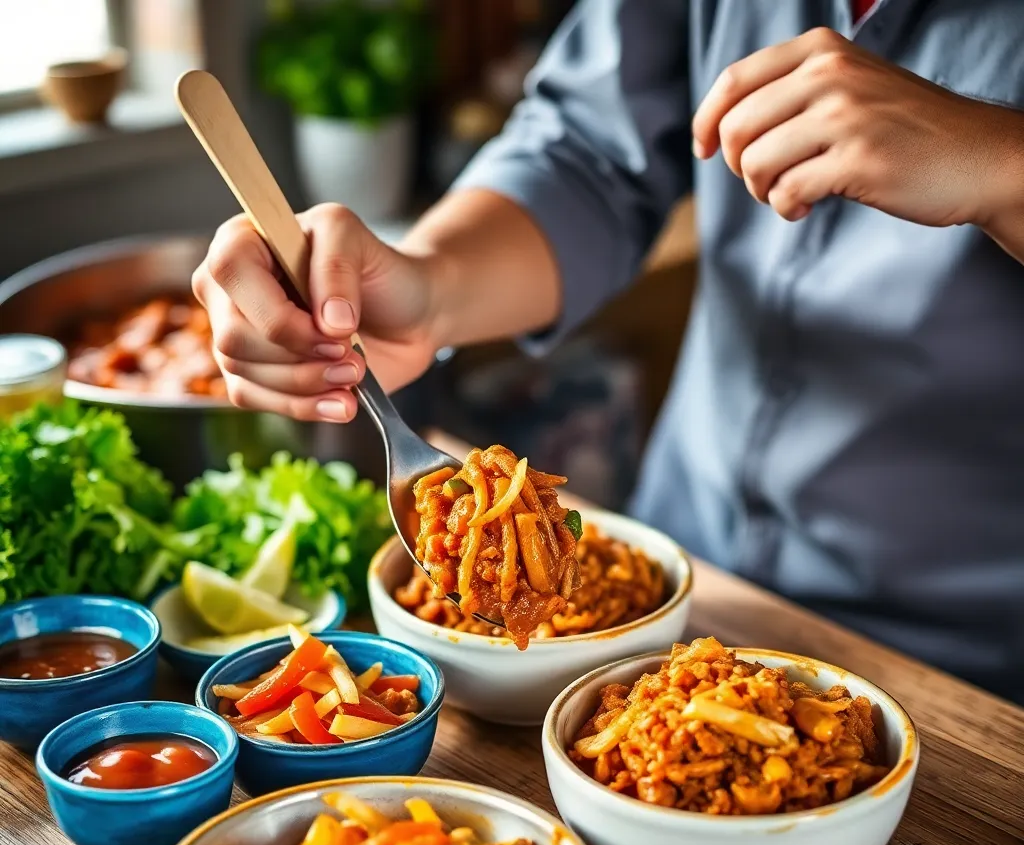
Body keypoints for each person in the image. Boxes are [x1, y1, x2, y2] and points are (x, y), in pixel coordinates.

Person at [192, 1, 1024, 700]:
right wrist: (429, 288)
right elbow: (589, 152)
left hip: (969, 655)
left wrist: (1005, 162)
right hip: (687, 561)